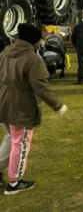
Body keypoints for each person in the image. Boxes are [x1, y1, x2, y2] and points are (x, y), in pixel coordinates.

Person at [0, 24, 67, 194]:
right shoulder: (32, 59)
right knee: (21, 143)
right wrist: (57, 106)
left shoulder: (6, 52)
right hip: (20, 107)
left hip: (3, 104)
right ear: (34, 41)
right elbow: (40, 87)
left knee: (11, 138)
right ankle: (15, 182)